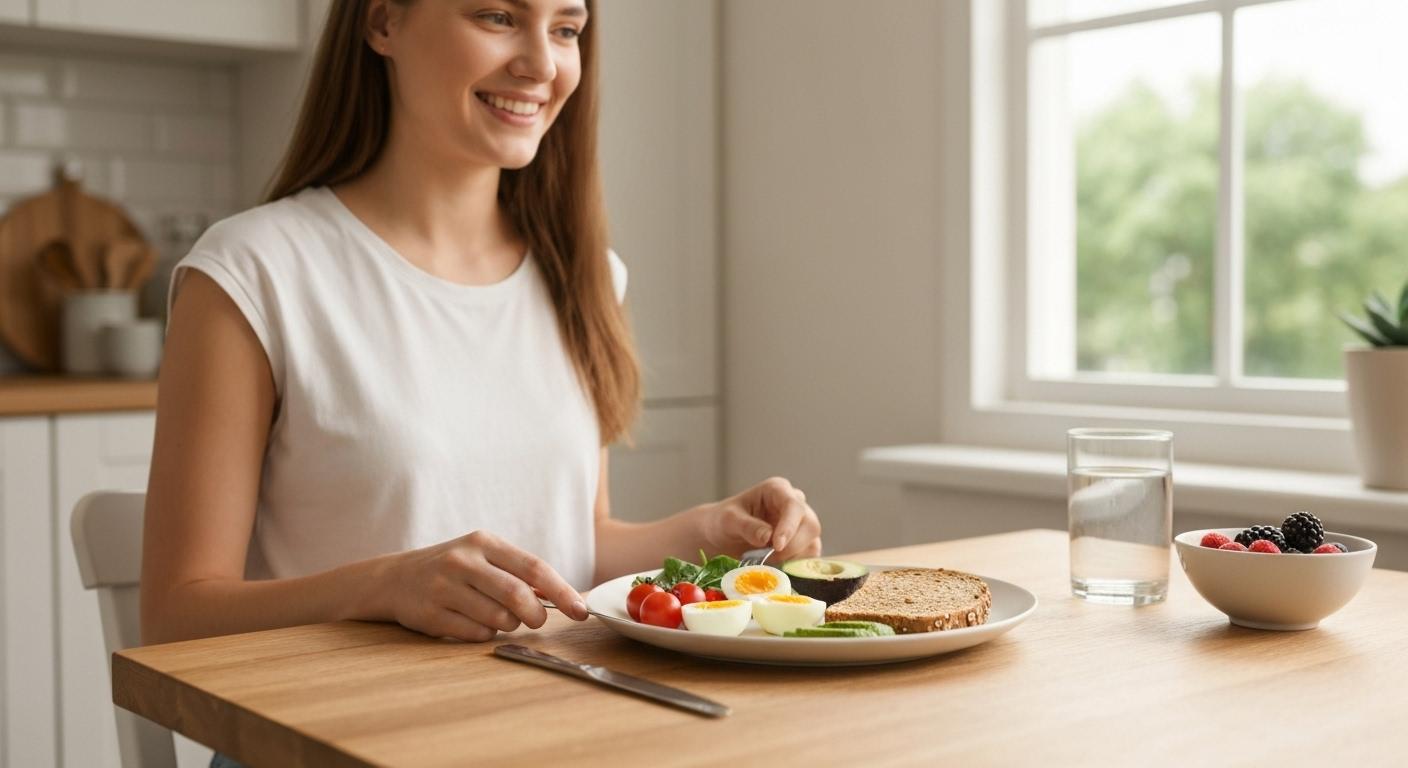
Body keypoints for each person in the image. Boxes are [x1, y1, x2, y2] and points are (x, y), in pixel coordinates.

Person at [140, 0, 822, 649]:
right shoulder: (253, 273)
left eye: (565, 29)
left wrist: (711, 533)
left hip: (527, 719)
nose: (542, 65)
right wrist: (383, 585)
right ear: (383, 21)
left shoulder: (585, 276)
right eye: (498, 17)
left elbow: (573, 545)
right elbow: (175, 615)